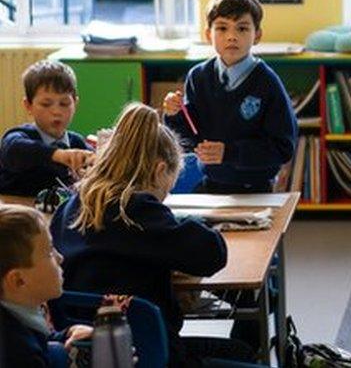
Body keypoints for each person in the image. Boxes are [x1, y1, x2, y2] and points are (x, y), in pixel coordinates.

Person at [49, 103, 254, 366]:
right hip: (146, 351)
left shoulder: (71, 206)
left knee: (235, 350)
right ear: (159, 171)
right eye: (169, 184)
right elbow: (213, 253)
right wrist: (184, 220)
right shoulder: (137, 210)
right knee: (244, 353)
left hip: (82, 349)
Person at [162, 0, 297, 194]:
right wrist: (174, 114)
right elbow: (189, 140)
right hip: (211, 184)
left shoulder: (267, 83)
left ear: (257, 35)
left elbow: (283, 148)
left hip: (256, 188)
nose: (232, 37)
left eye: (242, 29)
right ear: (209, 35)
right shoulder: (198, 77)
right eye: (222, 28)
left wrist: (230, 153)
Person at [0, 204, 92, 367]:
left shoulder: (15, 317)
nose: (60, 258)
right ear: (18, 280)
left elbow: (36, 337)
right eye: (50, 251)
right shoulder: (19, 353)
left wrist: (67, 334)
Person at [0, 60, 93, 197]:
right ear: (28, 106)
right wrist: (59, 155)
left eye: (64, 103)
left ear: (75, 104)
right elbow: (15, 150)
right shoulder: (18, 137)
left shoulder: (76, 143)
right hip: (20, 213)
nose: (56, 111)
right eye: (46, 104)